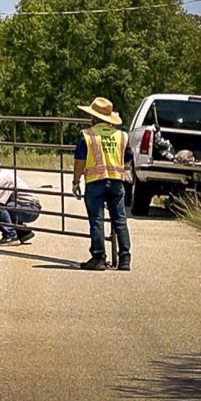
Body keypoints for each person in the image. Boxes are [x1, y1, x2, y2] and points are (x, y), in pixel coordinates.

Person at [72, 97, 133, 271]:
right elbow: (128, 158)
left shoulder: (87, 135)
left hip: (95, 182)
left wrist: (76, 181)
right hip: (116, 182)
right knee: (120, 220)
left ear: (94, 117)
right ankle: (125, 259)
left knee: (97, 220)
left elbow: (80, 161)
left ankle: (98, 258)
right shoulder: (122, 136)